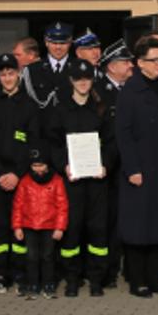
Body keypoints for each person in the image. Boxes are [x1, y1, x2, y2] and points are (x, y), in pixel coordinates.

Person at [116, 37, 158, 298]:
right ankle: (138, 280)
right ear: (139, 63)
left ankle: (155, 279)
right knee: (138, 226)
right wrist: (132, 168)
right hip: (141, 169)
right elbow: (123, 134)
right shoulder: (130, 93)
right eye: (155, 60)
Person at [42, 62, 117, 296]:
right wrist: (63, 165)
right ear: (71, 81)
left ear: (92, 80)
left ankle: (96, 279)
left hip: (97, 181)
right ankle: (72, 279)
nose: (83, 82)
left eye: (87, 78)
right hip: (72, 180)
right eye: (78, 78)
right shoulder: (61, 110)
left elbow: (112, 142)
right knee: (72, 229)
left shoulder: (101, 109)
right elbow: (53, 143)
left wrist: (106, 165)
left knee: (97, 230)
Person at [0, 53, 38, 297]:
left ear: (18, 74)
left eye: (11, 73)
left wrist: (16, 173)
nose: (7, 78)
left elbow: (32, 144)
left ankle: (21, 272)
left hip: (21, 177)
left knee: (21, 226)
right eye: (2, 74)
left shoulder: (29, 105)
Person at [11, 147, 69, 299]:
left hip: (49, 227)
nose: (38, 169)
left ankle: (48, 284)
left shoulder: (57, 181)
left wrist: (60, 227)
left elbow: (62, 205)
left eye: (41, 165)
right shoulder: (25, 182)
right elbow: (18, 205)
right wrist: (17, 226)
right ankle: (32, 284)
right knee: (31, 256)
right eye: (34, 165)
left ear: (48, 165)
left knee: (48, 256)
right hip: (29, 226)